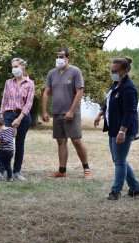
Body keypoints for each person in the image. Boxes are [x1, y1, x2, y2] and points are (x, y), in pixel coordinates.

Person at [94, 57, 139, 200]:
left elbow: (130, 111)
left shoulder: (128, 88)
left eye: (115, 70)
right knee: (118, 159)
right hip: (114, 127)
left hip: (124, 129)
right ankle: (135, 187)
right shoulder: (116, 84)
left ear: (125, 70)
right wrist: (100, 114)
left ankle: (115, 191)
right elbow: (109, 102)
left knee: (120, 160)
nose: (112, 72)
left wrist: (123, 131)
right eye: (111, 70)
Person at [42, 48, 92, 179]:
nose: (59, 58)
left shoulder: (75, 71)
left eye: (62, 56)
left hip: (72, 113)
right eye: (58, 56)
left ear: (68, 57)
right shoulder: (52, 73)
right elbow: (47, 92)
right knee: (61, 141)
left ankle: (86, 168)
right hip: (57, 112)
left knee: (76, 140)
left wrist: (71, 111)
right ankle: (62, 171)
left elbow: (79, 92)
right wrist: (44, 111)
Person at [0, 57, 35, 181]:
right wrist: (1, 117)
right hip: (9, 115)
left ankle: (17, 171)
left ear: (22, 67)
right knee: (6, 143)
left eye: (16, 66)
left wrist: (19, 119)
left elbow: (29, 103)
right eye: (12, 67)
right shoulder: (8, 82)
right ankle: (1, 171)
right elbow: (4, 100)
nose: (14, 69)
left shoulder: (30, 83)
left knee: (20, 144)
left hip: (23, 117)